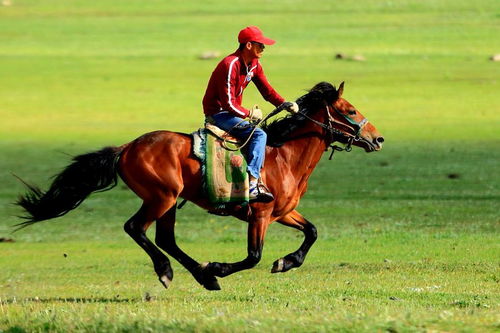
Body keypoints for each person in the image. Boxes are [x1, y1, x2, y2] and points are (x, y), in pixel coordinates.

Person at [202, 26, 298, 203]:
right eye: (260, 45)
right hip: (219, 114)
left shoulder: (254, 65)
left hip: (231, 112)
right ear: (248, 45)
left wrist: (284, 104)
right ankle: (253, 182)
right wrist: (249, 113)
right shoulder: (230, 65)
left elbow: (267, 91)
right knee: (259, 134)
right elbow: (228, 104)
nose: (263, 48)